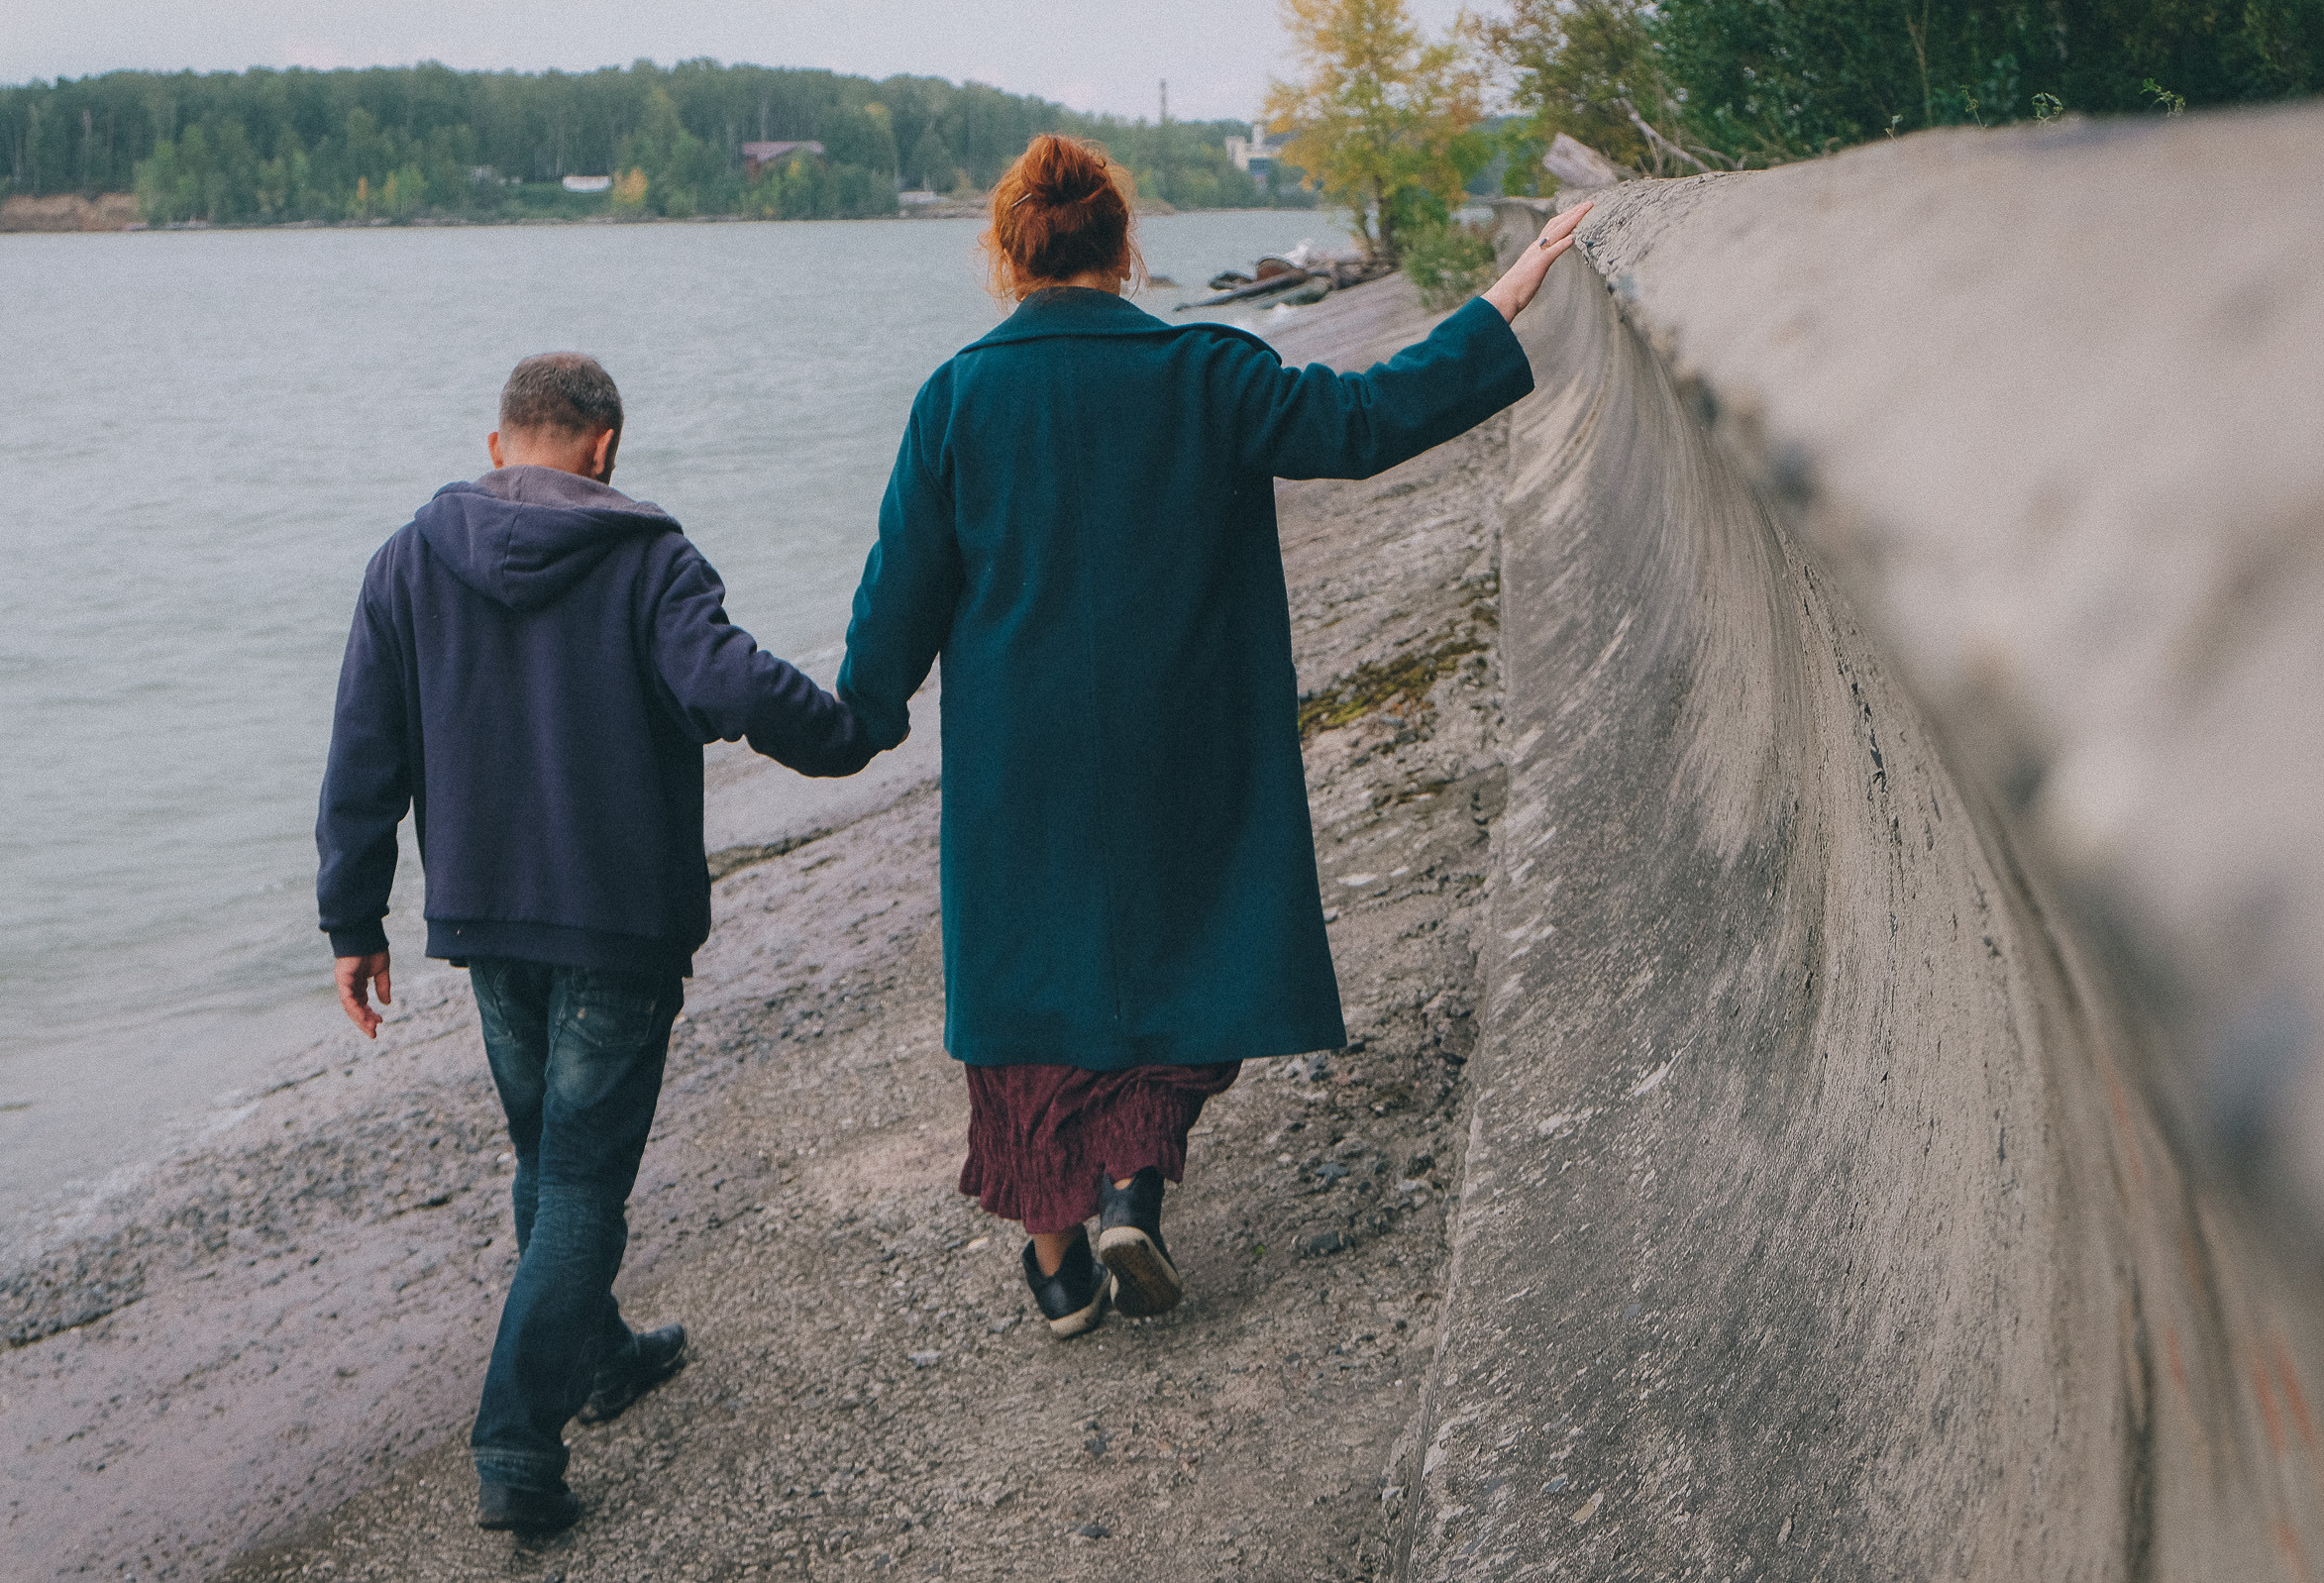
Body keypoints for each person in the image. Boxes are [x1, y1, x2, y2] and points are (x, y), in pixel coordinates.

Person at [837, 135, 1588, 1337]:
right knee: (1184, 948)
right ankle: (1133, 1188)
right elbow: (1362, 422)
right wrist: (1503, 299)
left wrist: (849, 722)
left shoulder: (956, 399)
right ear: (1123, 244)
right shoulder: (1204, 370)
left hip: (1017, 764)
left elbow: (899, 601)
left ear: (1007, 254)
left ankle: (1056, 1266)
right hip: (1179, 735)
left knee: (1028, 1000)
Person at [316, 353, 875, 1532]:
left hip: (486, 920)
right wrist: (848, 735)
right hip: (617, 921)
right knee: (576, 1182)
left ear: (497, 446)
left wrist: (351, 919)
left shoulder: (407, 563)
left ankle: (601, 1354)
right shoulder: (647, 558)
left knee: (546, 1162)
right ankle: (516, 1442)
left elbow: (364, 751)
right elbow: (729, 683)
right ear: (605, 448)